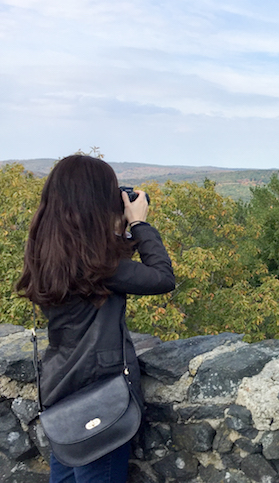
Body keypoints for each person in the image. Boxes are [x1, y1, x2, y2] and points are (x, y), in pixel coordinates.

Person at [16, 155, 175, 483]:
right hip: (101, 400)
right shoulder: (98, 265)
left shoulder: (47, 255)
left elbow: (97, 261)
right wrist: (139, 224)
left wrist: (114, 230)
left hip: (61, 392)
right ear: (95, 203)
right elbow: (161, 277)